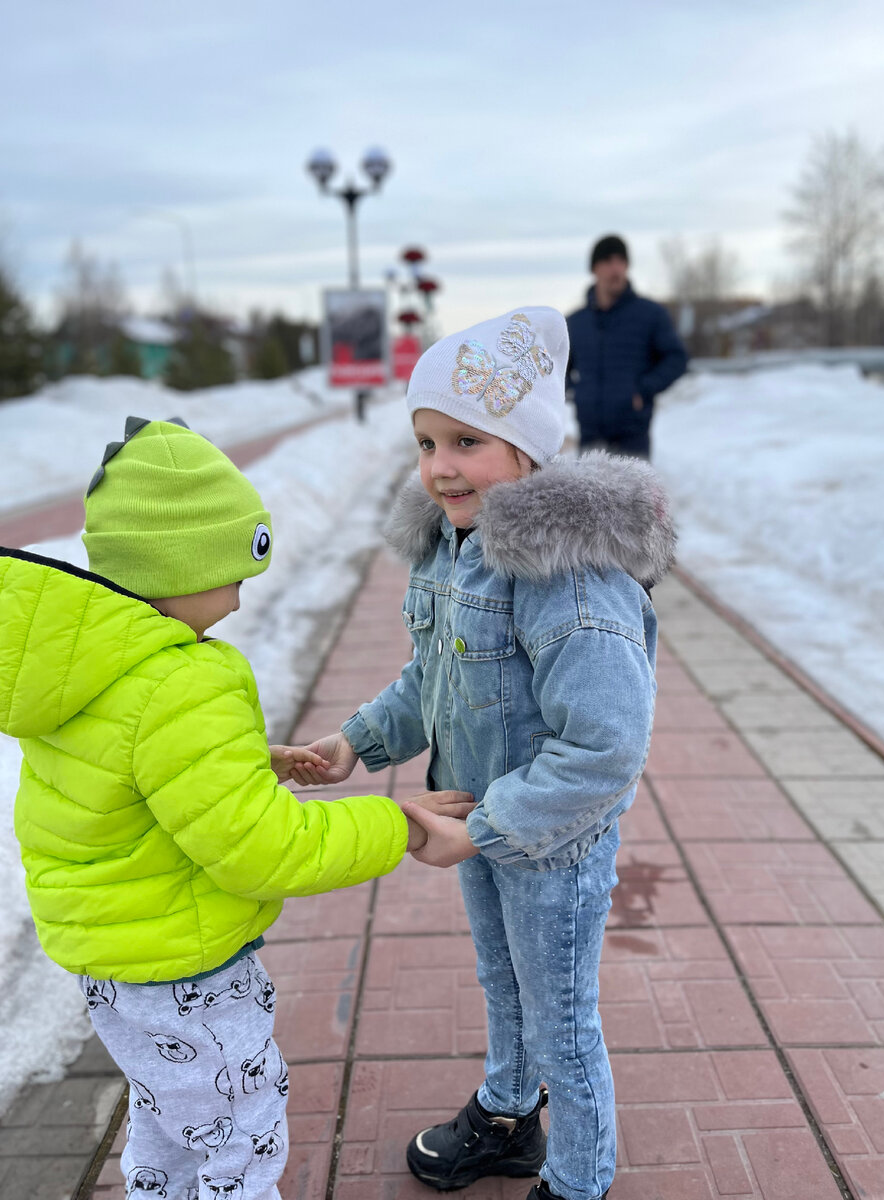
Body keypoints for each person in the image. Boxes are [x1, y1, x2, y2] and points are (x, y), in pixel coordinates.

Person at [0, 417, 472, 1200]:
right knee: (242, 1131)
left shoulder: (86, 663)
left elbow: (129, 771)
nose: (244, 593)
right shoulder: (185, 682)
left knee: (172, 1114)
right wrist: (399, 826)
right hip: (188, 967)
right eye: (234, 568)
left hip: (118, 965)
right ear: (181, 565)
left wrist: (251, 762)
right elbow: (263, 847)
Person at [290, 309, 675, 1200]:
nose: (439, 467)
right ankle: (508, 1114)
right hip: (481, 824)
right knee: (502, 980)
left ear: (531, 450)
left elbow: (607, 747)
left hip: (552, 842)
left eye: (467, 440)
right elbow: (434, 677)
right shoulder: (454, 549)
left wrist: (493, 825)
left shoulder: (568, 579)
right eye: (426, 442)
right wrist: (353, 743)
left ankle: (580, 1181)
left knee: (564, 1019)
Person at [567, 234, 688, 459]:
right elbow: (558, 366)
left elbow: (677, 358)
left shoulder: (650, 314)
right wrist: (575, 392)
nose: (616, 269)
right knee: (588, 494)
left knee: (634, 495)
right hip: (590, 434)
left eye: (621, 261)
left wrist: (643, 389)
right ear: (594, 269)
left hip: (632, 435)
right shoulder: (576, 322)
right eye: (608, 262)